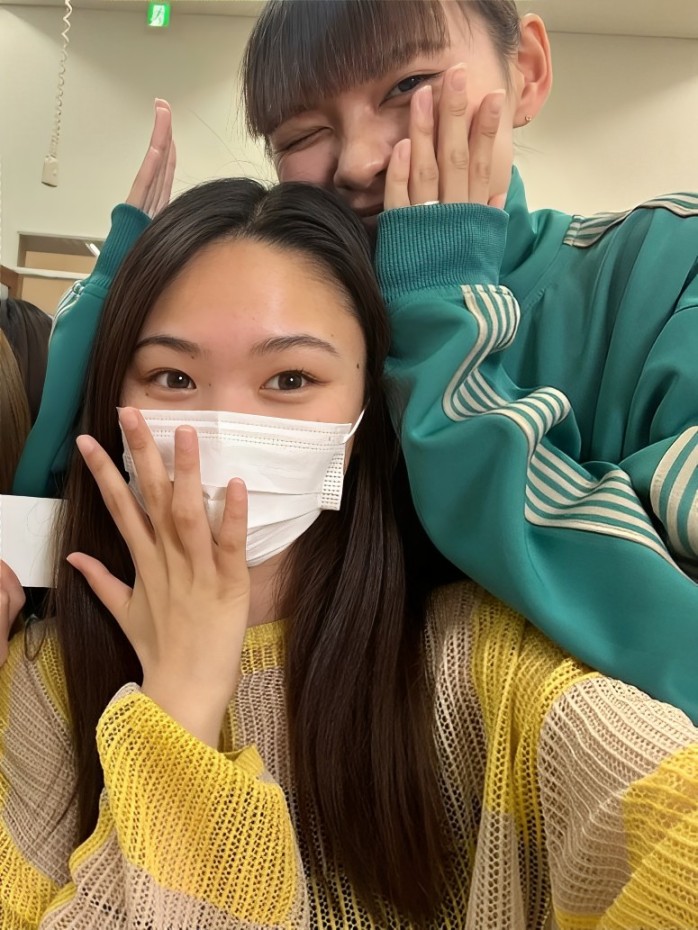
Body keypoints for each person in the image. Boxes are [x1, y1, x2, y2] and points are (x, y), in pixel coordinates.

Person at [2, 176, 698, 930]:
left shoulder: (479, 668)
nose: (221, 427)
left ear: (365, 416)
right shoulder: (42, 684)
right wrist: (180, 704)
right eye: (174, 377)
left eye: (290, 378)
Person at [10, 2, 698, 718]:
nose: (360, 162)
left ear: (525, 70)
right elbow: (60, 570)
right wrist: (104, 318)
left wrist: (442, 320)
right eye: (303, 134)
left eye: (408, 86)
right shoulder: (290, 314)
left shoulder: (666, 268)